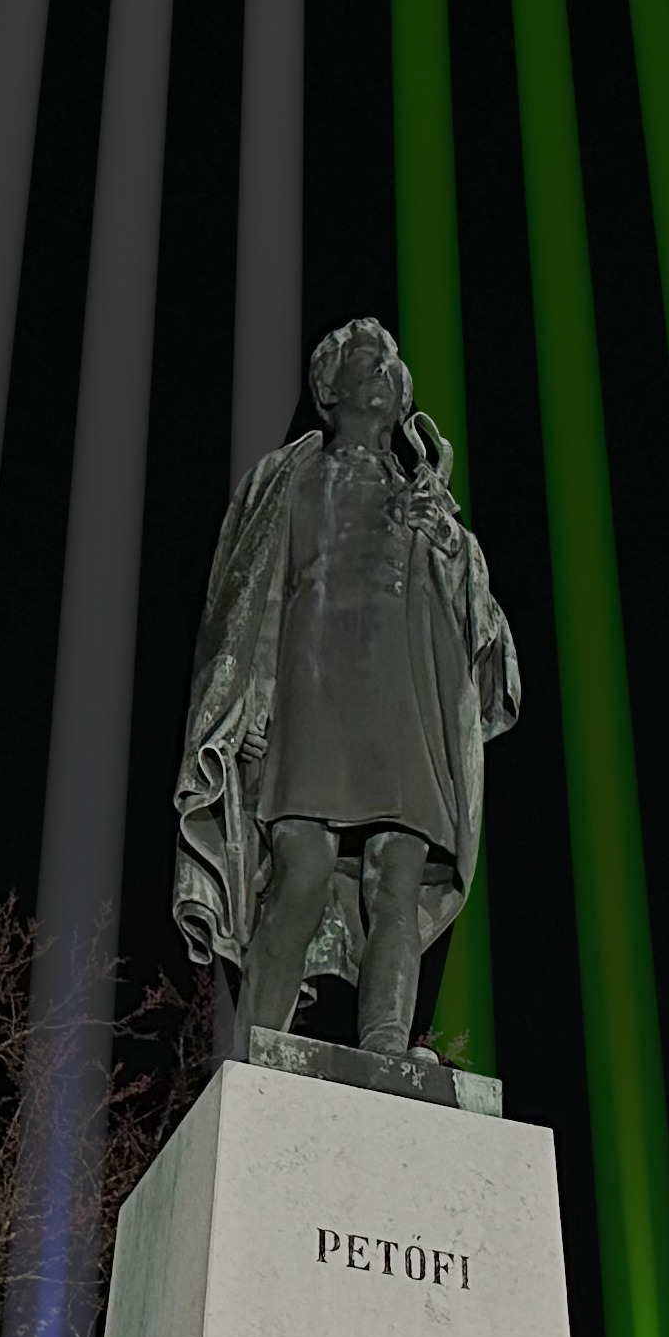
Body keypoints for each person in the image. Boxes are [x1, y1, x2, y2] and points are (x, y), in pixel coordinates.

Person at [170, 319, 519, 1059]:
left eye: (394, 366)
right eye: (369, 360)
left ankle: (388, 1047)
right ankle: (259, 1049)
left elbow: (480, 633)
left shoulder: (425, 496)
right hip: (313, 690)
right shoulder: (287, 477)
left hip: (404, 701)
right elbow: (241, 607)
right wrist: (244, 709)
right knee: (301, 863)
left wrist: (448, 541)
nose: (386, 372)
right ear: (329, 387)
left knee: (397, 870)